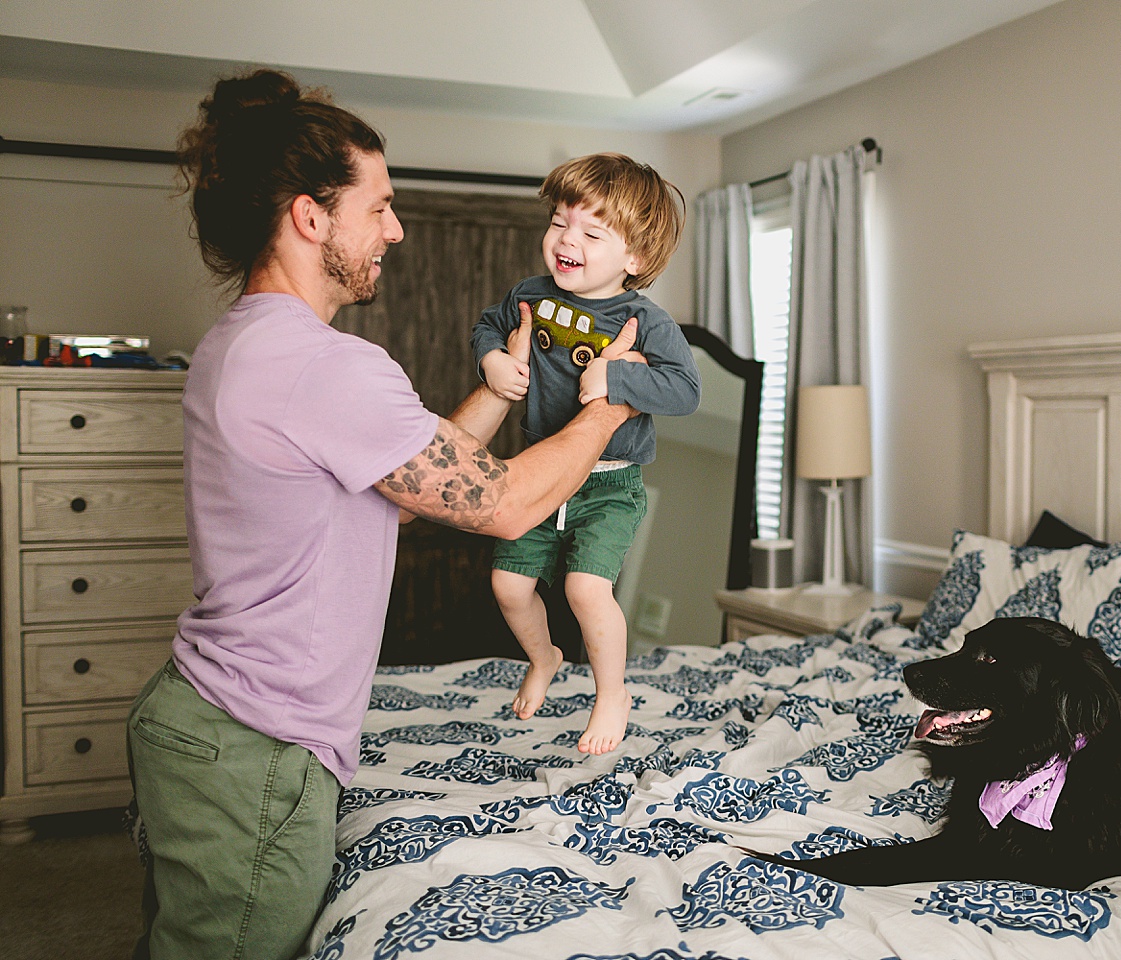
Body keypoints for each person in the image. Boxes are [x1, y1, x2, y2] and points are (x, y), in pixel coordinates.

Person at [126, 69, 640, 960]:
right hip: (254, 748)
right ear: (310, 217)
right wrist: (614, 403)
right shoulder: (325, 366)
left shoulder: (241, 343)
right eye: (381, 207)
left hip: (209, 722)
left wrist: (489, 394)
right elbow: (509, 501)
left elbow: (393, 500)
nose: (395, 230)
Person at [472, 153, 700, 755]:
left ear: (636, 258)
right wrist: (493, 359)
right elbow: (488, 327)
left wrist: (617, 382)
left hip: (608, 485)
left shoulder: (645, 320)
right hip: (541, 477)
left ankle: (611, 692)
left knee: (584, 589)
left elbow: (686, 389)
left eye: (591, 232)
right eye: (558, 223)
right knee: (507, 585)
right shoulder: (531, 295)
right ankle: (544, 656)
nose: (566, 240)